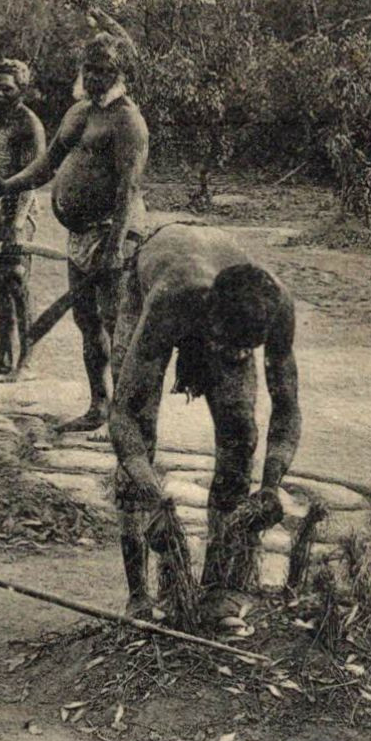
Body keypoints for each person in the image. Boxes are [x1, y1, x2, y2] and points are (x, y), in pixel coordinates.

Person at [107, 225, 301, 620]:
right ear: (209, 313)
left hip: (216, 294)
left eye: (242, 352)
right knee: (140, 438)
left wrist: (270, 487)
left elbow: (287, 407)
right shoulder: (172, 299)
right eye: (223, 345)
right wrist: (149, 489)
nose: (231, 356)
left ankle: (216, 588)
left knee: (240, 437)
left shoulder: (277, 305)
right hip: (150, 278)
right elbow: (123, 413)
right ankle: (139, 594)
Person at [0, 31, 148, 433]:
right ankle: (98, 405)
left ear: (118, 74)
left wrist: (114, 248)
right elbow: (47, 164)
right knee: (86, 323)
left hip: (114, 233)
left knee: (116, 325)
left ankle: (127, 418)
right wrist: (7, 186)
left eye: (103, 71)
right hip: (79, 236)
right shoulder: (78, 113)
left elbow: (129, 188)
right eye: (88, 69)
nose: (94, 78)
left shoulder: (128, 121)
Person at [0, 59, 47, 377]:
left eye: (7, 88)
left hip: (19, 211)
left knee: (17, 281)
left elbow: (32, 177)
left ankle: (25, 359)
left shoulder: (29, 124)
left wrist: (16, 225)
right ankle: (3, 354)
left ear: (22, 90)